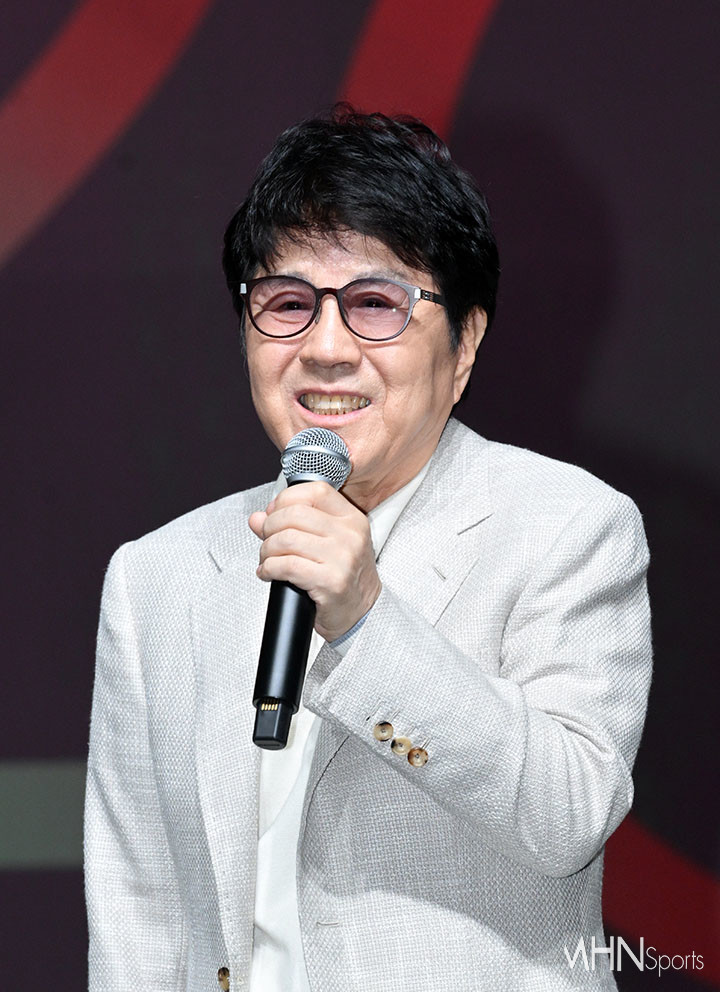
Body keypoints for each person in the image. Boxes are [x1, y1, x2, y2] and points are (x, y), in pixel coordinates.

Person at [84, 106, 652, 991]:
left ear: (464, 343)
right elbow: (138, 907)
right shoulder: (158, 576)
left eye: (376, 305)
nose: (325, 349)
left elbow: (569, 815)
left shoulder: (568, 527)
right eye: (287, 304)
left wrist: (367, 622)